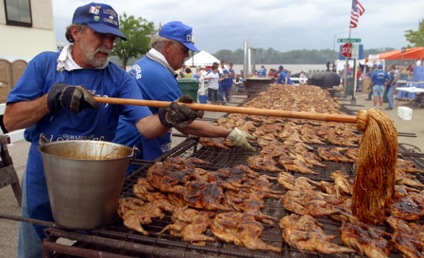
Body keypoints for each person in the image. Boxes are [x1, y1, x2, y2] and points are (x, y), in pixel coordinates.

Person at [3, 4, 203, 257]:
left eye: (113, 38)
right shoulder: (45, 64)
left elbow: (146, 127)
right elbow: (10, 121)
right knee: (32, 250)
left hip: (96, 179)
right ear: (75, 32)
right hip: (44, 173)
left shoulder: (119, 78)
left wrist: (166, 117)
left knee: (93, 248)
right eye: (101, 35)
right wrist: (51, 99)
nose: (108, 44)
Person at [113, 21, 255, 166]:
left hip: (128, 141)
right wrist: (228, 133)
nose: (187, 55)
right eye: (184, 49)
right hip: (137, 149)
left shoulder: (144, 63)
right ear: (168, 46)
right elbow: (185, 125)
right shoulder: (158, 74)